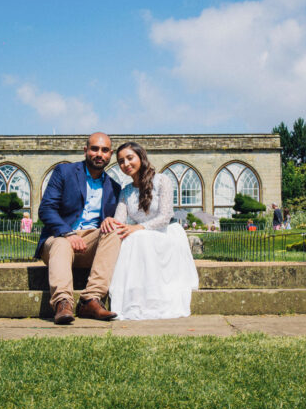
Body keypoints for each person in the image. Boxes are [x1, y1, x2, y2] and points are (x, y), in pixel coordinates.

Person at [102, 142, 199, 320]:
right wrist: (110, 221)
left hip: (164, 233)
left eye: (130, 158)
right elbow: (120, 221)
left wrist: (139, 227)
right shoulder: (126, 191)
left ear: (141, 157)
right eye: (121, 161)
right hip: (140, 236)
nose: (125, 164)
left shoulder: (162, 180)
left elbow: (165, 216)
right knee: (131, 237)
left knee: (137, 237)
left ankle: (152, 299)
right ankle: (135, 298)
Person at [35, 132, 123, 325]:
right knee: (61, 243)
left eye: (104, 150)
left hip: (90, 244)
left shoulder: (115, 188)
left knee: (114, 229)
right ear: (85, 150)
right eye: (94, 149)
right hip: (59, 240)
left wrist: (110, 221)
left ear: (110, 154)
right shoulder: (64, 172)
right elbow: (46, 208)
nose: (99, 154)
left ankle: (91, 300)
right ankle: (62, 302)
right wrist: (68, 233)